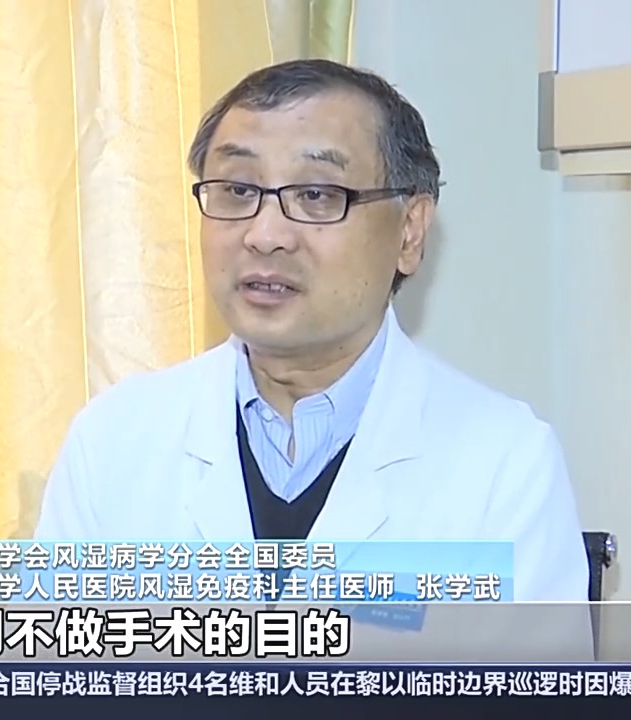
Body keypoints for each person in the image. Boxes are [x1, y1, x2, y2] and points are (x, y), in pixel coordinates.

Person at [34, 59, 590, 602]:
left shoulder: (503, 465)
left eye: (317, 195)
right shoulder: (113, 442)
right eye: (237, 190)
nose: (265, 235)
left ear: (409, 231)